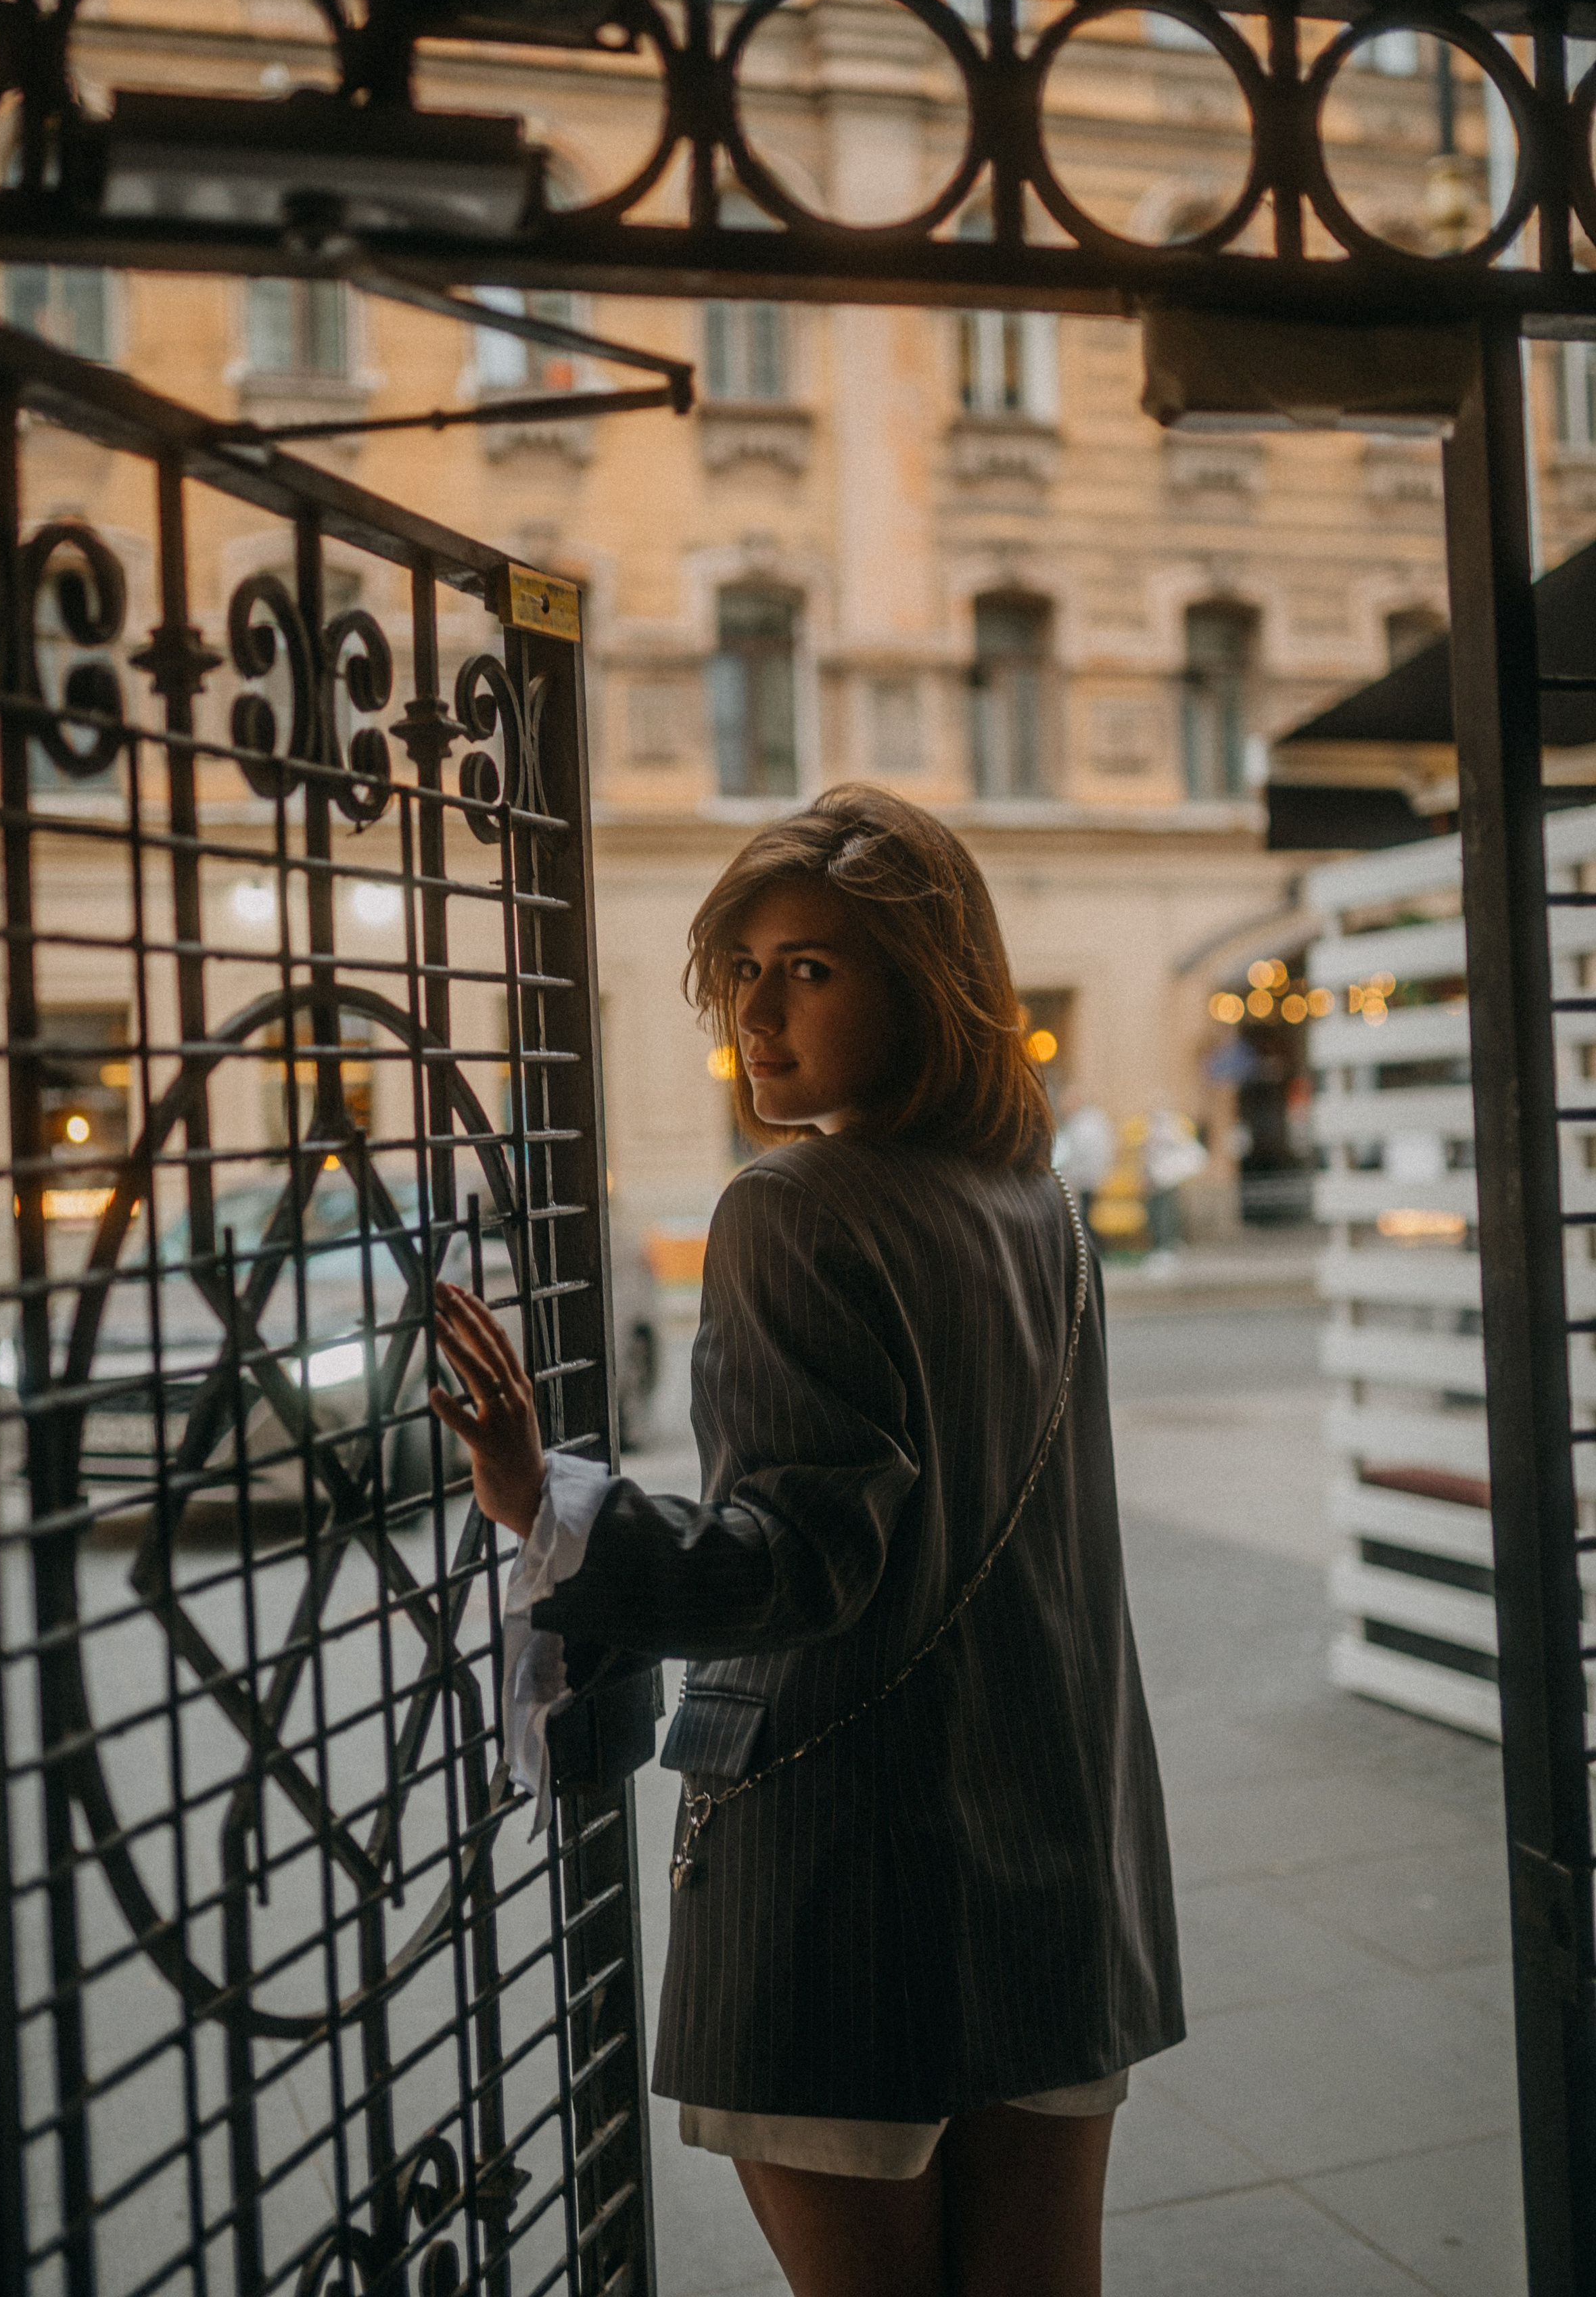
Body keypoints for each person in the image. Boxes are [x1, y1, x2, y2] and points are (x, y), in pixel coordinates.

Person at [433, 785, 1182, 2297]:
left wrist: (544, 1503)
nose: (756, 1018)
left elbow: (794, 1563)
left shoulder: (793, 1205)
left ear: (926, 987)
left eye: (812, 970)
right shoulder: (1038, 1208)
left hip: (848, 1884)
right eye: (745, 973)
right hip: (1058, 1863)